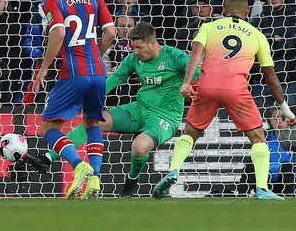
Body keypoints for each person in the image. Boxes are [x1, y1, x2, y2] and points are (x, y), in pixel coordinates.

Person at [25, 23, 200, 197]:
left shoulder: (175, 57)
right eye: (134, 47)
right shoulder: (134, 59)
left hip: (165, 117)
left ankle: (132, 179)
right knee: (93, 120)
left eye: (139, 47)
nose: (136, 51)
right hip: (138, 109)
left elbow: (200, 74)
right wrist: (88, 99)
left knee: (138, 148)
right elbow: (114, 79)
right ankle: (47, 158)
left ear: (152, 43)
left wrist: (195, 87)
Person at [152, 0, 296, 200]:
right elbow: (270, 76)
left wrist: (186, 83)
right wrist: (284, 108)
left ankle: (173, 170)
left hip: (207, 86)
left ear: (223, 9)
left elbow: (194, 55)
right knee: (258, 138)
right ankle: (262, 189)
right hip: (236, 89)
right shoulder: (257, 34)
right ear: (247, 11)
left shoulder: (208, 27)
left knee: (190, 132)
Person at [31, 0, 116, 199]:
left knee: (49, 127)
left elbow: (58, 33)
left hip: (73, 71)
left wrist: (44, 67)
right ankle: (96, 180)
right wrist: (96, 55)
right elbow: (111, 32)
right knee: (92, 122)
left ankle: (80, 166)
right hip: (98, 71)